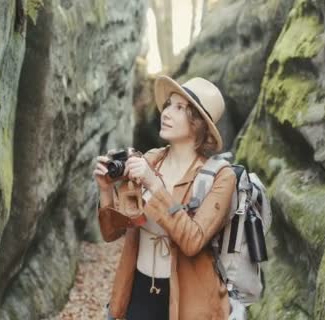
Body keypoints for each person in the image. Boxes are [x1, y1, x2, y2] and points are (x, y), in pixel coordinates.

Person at [93, 75, 236, 320]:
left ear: (199, 123)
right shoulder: (151, 159)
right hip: (137, 293)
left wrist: (154, 186)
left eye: (179, 108)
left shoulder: (221, 177)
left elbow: (193, 241)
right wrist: (106, 190)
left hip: (188, 305)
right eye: (168, 104)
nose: (166, 112)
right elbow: (111, 232)